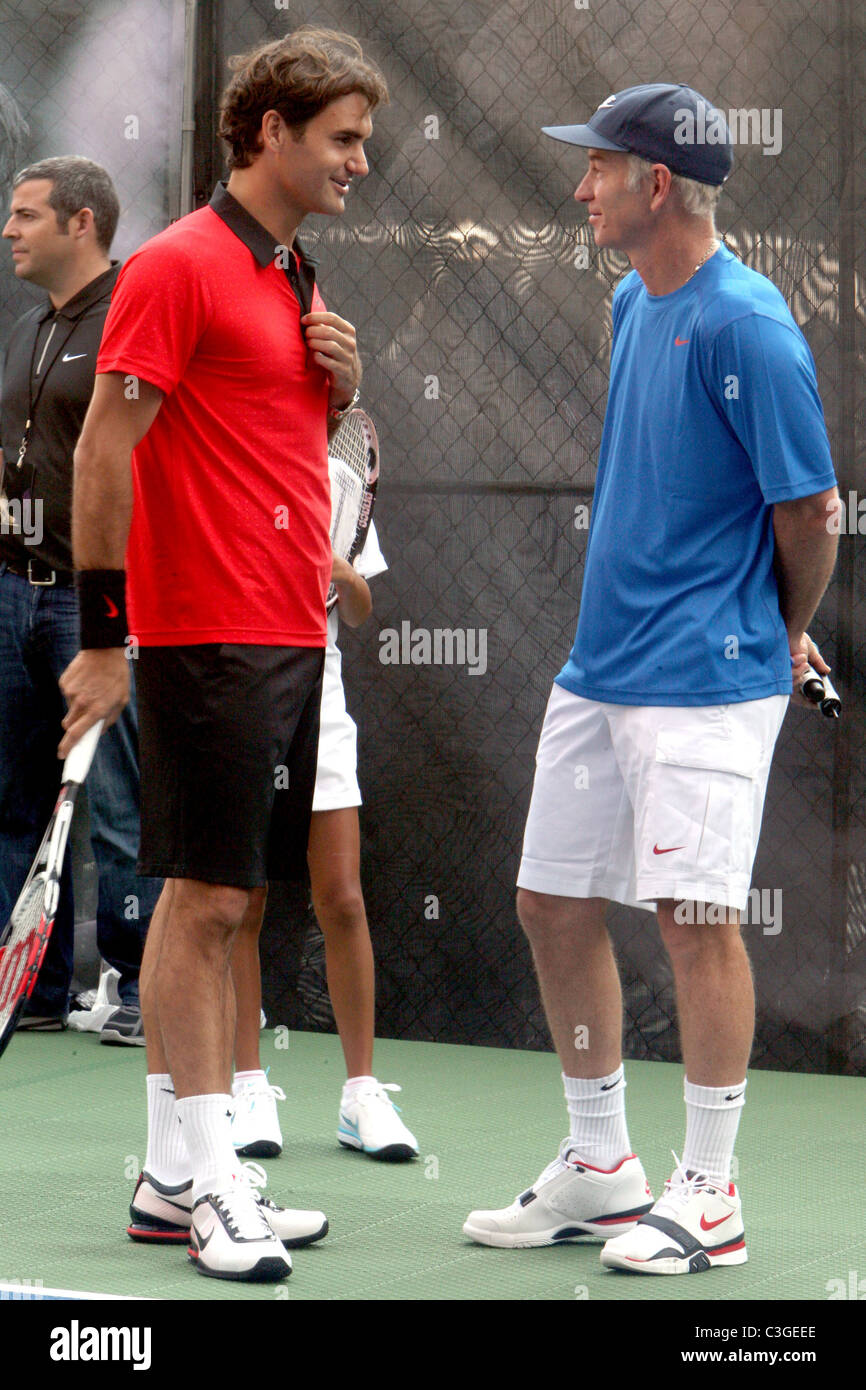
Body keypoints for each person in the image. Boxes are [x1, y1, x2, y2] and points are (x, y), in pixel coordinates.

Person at [464, 83, 839, 1274]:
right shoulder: (633, 299)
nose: (579, 188)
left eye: (596, 169)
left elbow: (809, 512)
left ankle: (710, 1192)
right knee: (552, 904)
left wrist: (778, 628)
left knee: (692, 923)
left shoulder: (751, 327)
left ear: (653, 184)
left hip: (705, 679)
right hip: (600, 669)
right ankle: (601, 1165)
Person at [58, 28, 389, 1283]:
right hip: (205, 638)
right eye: (343, 138)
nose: (361, 160)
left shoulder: (293, 274)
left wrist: (339, 390)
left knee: (228, 899)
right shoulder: (179, 267)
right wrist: (101, 643)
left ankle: (167, 1179)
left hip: (286, 629)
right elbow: (104, 449)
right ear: (268, 131)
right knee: (199, 907)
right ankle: (211, 1190)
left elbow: (265, 446)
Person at [0, 156, 158, 1042]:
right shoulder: (27, 329)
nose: (10, 231)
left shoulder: (136, 318)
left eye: (26, 216)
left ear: (82, 223)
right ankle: (38, 989)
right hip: (10, 593)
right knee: (15, 799)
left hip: (95, 606)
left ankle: (136, 988)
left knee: (117, 803)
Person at [230, 520, 419, 1162]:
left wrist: (344, 574)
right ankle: (246, 1083)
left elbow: (360, 609)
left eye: (339, 406)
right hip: (242, 683)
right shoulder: (248, 459)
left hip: (322, 689)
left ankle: (361, 1093)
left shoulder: (338, 474)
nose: (334, 410)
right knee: (242, 901)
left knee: (342, 900)